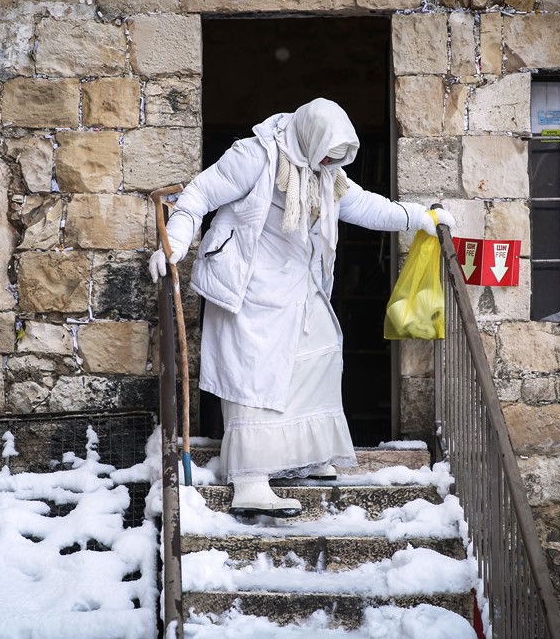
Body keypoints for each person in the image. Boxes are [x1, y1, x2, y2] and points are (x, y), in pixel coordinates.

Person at [149, 98, 455, 518]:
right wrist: (176, 244)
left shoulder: (324, 172)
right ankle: (250, 482)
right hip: (250, 288)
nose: (332, 161)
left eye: (338, 156)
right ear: (309, 137)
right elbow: (200, 193)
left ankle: (305, 455)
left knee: (319, 357)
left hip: (298, 285)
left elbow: (362, 204)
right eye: (328, 152)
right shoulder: (254, 155)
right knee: (256, 378)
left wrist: (419, 217)